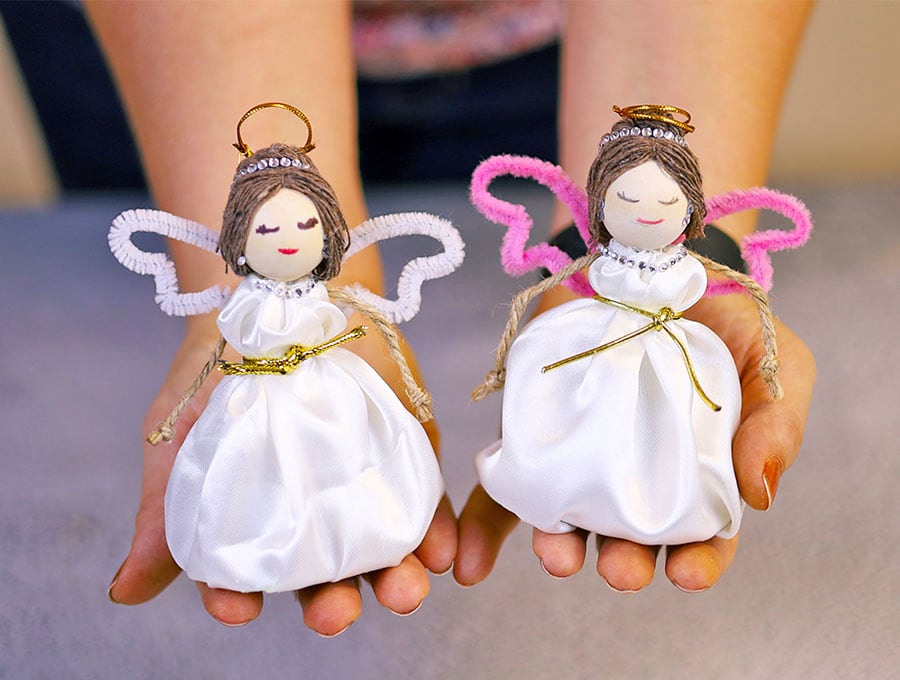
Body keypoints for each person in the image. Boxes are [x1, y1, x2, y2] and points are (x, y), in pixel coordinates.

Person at [87, 1, 815, 635]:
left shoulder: (667, 273)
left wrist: (707, 267)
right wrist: (224, 332)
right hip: (186, 50)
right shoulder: (257, 312)